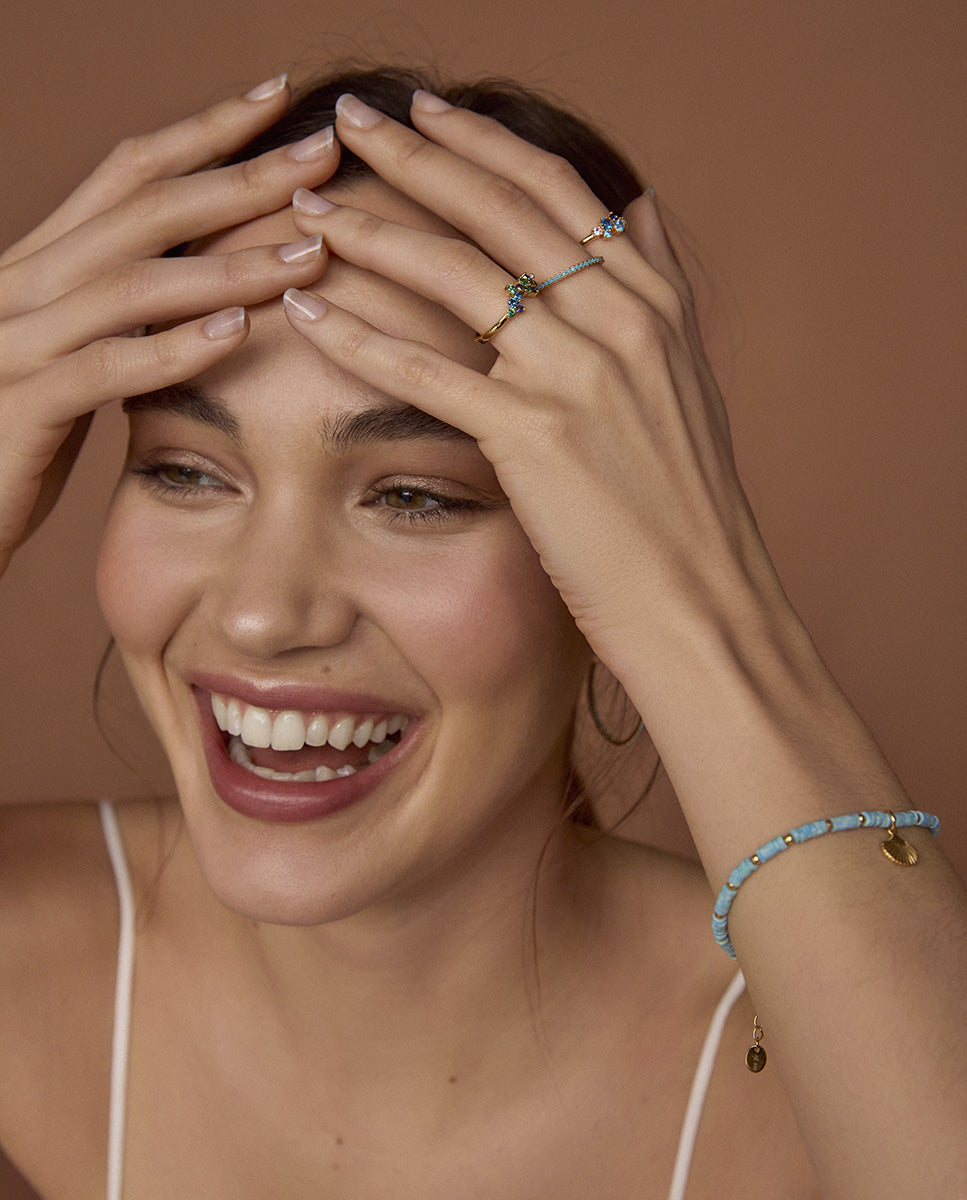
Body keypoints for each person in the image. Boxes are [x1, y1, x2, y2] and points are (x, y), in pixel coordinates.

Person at [0, 64, 964, 1200]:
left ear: (611, 545)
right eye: (186, 472)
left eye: (413, 496)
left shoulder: (828, 1070)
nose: (261, 613)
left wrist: (705, 604)